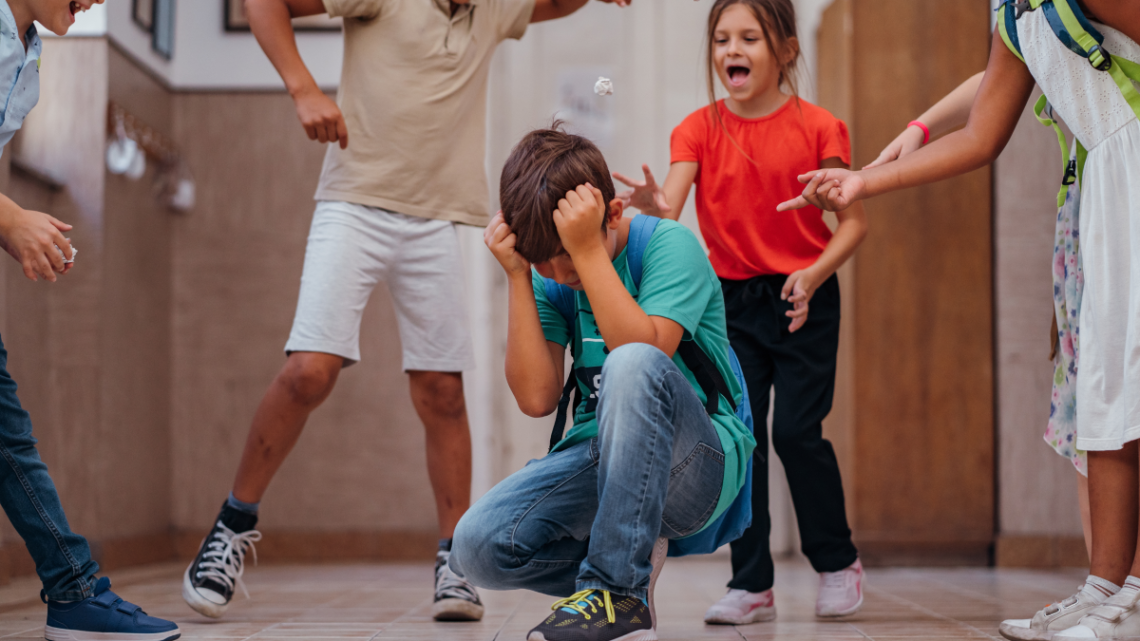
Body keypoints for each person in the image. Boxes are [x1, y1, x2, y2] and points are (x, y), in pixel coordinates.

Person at [181, 0, 628, 624]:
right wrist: (303, 88)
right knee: (311, 370)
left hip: (439, 218)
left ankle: (454, 560)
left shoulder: (496, 9)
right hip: (355, 202)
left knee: (443, 390)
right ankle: (232, 525)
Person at [776, 2, 1139, 639]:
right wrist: (863, 182)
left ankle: (1112, 594)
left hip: (1130, 171)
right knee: (1106, 395)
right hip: (1104, 190)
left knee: (1120, 392)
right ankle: (1108, 590)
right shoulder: (1013, 11)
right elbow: (980, 134)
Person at [449, 126, 756, 641]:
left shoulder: (668, 246)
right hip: (600, 457)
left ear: (611, 215)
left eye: (561, 254)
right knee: (476, 548)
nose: (555, 270)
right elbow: (536, 397)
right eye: (540, 257)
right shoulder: (547, 275)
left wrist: (588, 252)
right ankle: (625, 572)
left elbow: (646, 350)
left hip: (697, 465)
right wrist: (520, 278)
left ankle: (618, 595)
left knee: (630, 362)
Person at [615, 0, 867, 623]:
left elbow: (853, 223)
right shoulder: (697, 129)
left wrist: (811, 274)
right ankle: (751, 581)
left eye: (750, 38)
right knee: (744, 439)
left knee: (796, 434)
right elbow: (668, 211)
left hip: (804, 294)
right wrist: (652, 205)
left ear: (784, 50)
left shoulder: (820, 127)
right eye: (722, 38)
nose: (733, 49)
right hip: (727, 306)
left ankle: (837, 563)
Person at [869, 73, 1098, 641]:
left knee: (1118, 416)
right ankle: (1105, 589)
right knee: (1086, 423)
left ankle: (1122, 593)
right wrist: (921, 125)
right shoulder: (1033, 25)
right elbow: (1008, 67)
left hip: (1117, 220)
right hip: (1080, 225)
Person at [0, 1, 181, 639]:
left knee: (6, 438)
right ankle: (76, 590)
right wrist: (10, 218)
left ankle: (76, 590)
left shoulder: (28, 52)